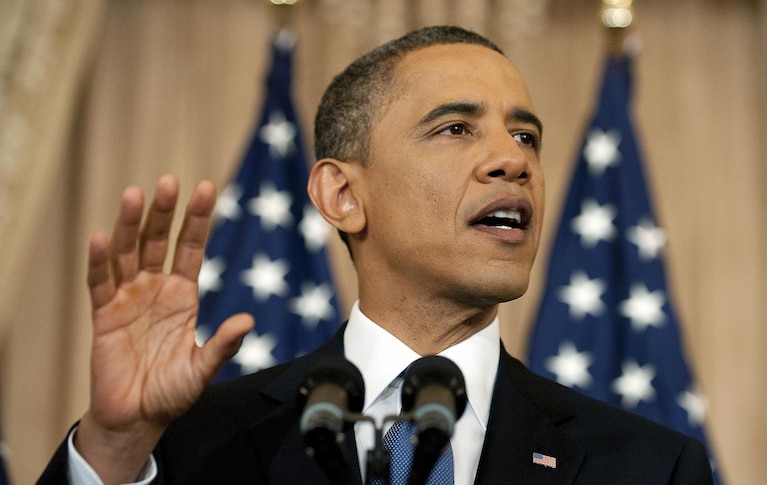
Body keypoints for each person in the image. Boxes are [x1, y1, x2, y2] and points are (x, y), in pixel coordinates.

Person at [39, 26, 714, 484]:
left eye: (526, 136)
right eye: (455, 128)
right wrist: (115, 444)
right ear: (341, 194)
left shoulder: (650, 465)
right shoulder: (196, 445)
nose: (513, 160)